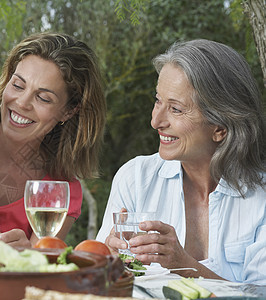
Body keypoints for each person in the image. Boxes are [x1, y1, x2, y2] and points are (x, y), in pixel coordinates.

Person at [96, 39, 266, 284]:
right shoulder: (135, 179)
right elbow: (101, 281)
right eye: (157, 101)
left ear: (220, 127)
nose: (156, 121)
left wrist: (183, 265)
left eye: (175, 109)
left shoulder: (260, 197)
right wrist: (108, 264)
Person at [0, 32, 106, 247]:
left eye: (43, 98)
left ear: (68, 111)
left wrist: (27, 253)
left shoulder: (59, 189)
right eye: (18, 85)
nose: (22, 103)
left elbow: (38, 267)